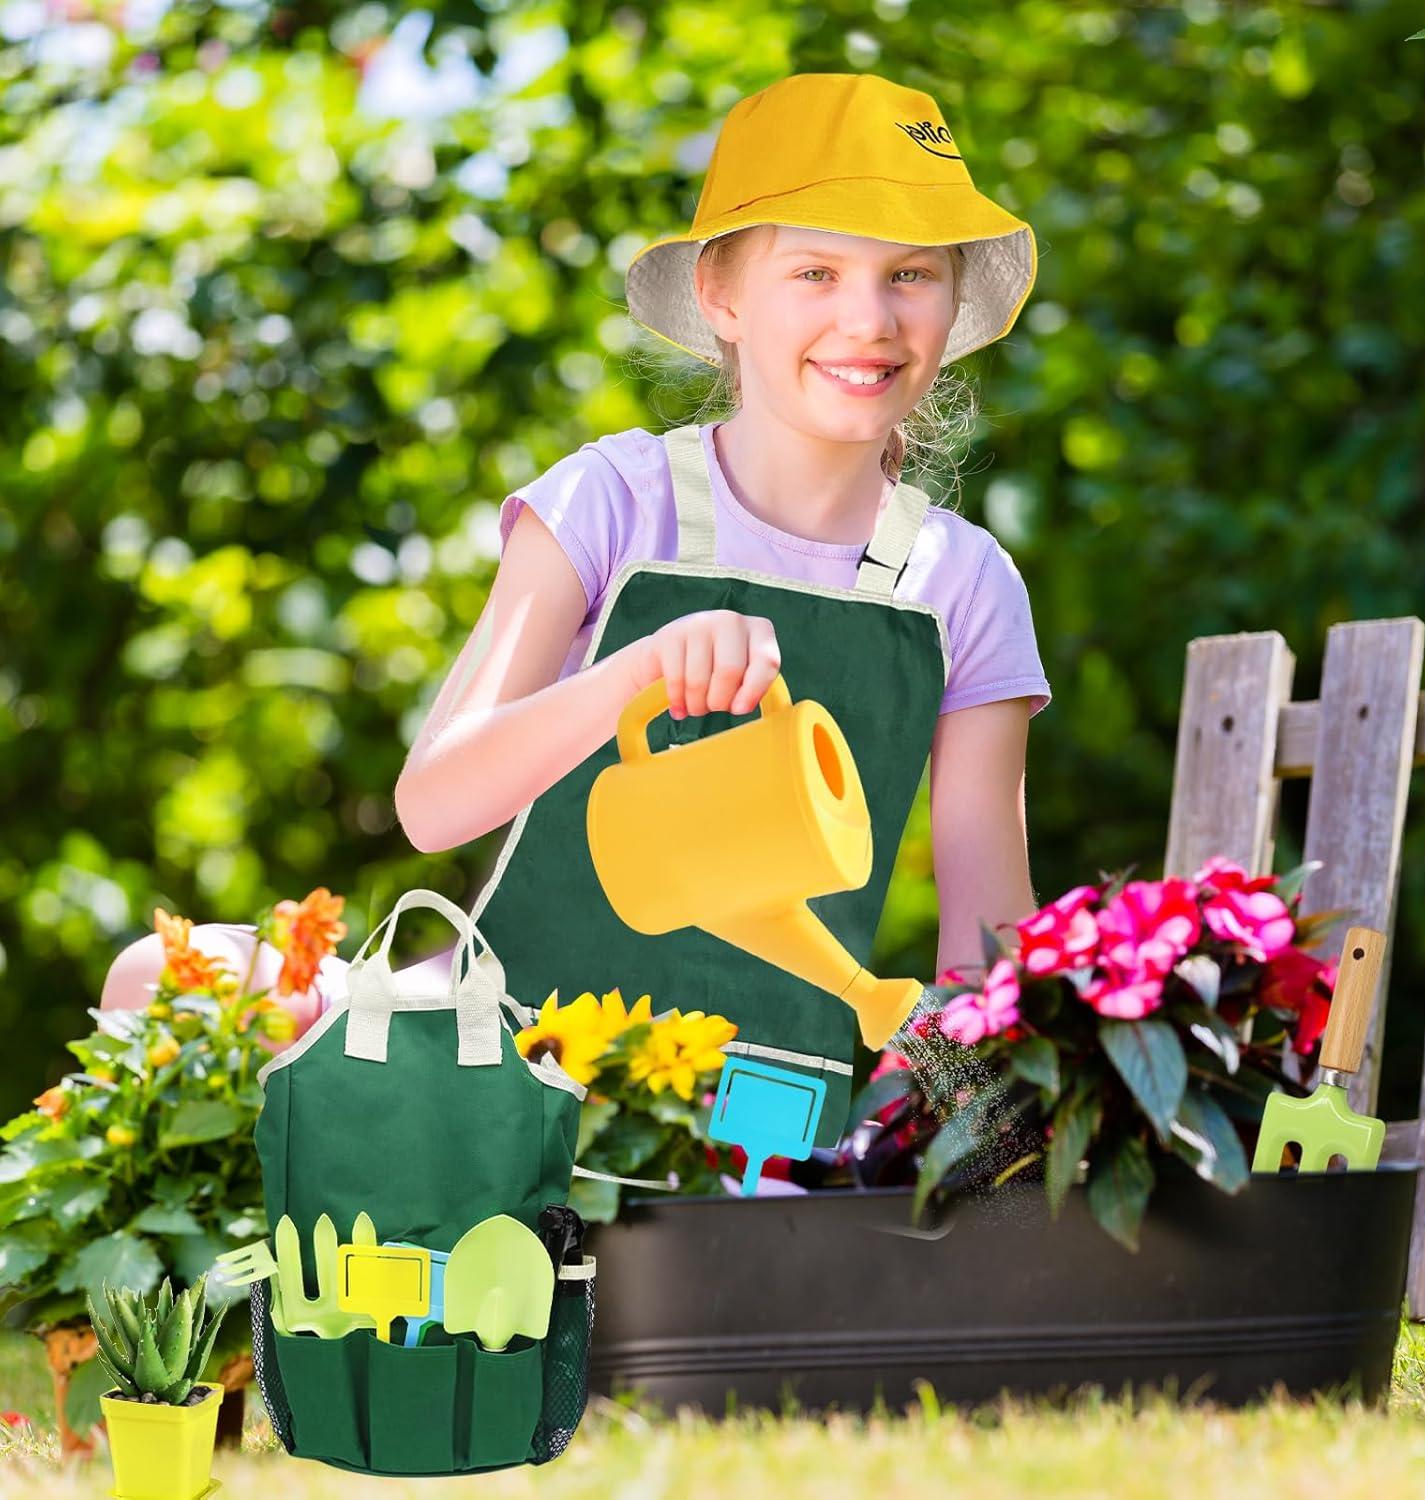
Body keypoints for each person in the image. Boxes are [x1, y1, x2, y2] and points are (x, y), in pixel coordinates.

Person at [390, 72, 1050, 1155]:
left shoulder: (960, 584)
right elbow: (433, 805)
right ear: (723, 295)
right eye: (816, 271)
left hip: (765, 1114)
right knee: (169, 981)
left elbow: (988, 965)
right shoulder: (609, 503)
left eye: (912, 275)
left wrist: (992, 1132)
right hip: (513, 1052)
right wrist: (630, 674)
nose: (869, 318)